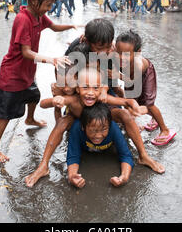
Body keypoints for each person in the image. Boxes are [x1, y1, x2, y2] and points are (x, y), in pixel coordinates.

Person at [24, 19, 165, 188]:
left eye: (108, 47)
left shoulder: (111, 51)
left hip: (101, 96)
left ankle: (143, 155)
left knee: (124, 115)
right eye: (99, 49)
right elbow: (61, 75)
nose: (104, 52)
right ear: (86, 41)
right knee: (63, 122)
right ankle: (43, 166)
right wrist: (63, 93)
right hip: (81, 100)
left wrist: (124, 99)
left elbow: (111, 87)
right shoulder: (76, 52)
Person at [0, 0, 79, 164]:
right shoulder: (23, 18)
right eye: (47, 4)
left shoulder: (38, 16)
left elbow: (53, 27)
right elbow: (26, 52)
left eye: (51, 4)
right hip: (12, 75)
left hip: (27, 73)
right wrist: (51, 60)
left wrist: (72, 26)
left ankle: (30, 119)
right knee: (5, 114)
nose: (49, 8)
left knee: (34, 96)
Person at [116, 30, 177, 145]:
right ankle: (153, 119)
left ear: (138, 52)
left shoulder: (139, 64)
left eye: (126, 55)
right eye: (118, 52)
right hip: (130, 78)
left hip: (144, 75)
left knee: (148, 104)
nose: (120, 58)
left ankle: (164, 129)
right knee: (134, 103)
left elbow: (131, 80)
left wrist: (117, 75)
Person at [67, 103, 134, 189]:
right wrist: (72, 176)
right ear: (83, 127)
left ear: (109, 126)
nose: (98, 136)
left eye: (104, 129)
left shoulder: (113, 128)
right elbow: (73, 156)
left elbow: (126, 155)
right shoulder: (77, 128)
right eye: (93, 130)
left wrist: (124, 177)